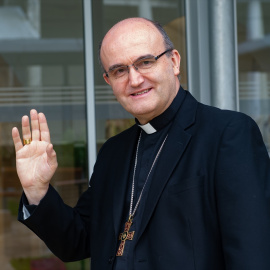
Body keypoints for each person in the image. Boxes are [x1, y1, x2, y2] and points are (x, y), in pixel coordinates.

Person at [12, 17, 270, 270]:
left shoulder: (227, 133)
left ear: (174, 62)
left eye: (145, 62)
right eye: (119, 70)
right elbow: (77, 241)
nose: (134, 80)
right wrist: (37, 190)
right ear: (108, 81)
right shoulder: (114, 152)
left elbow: (251, 253)